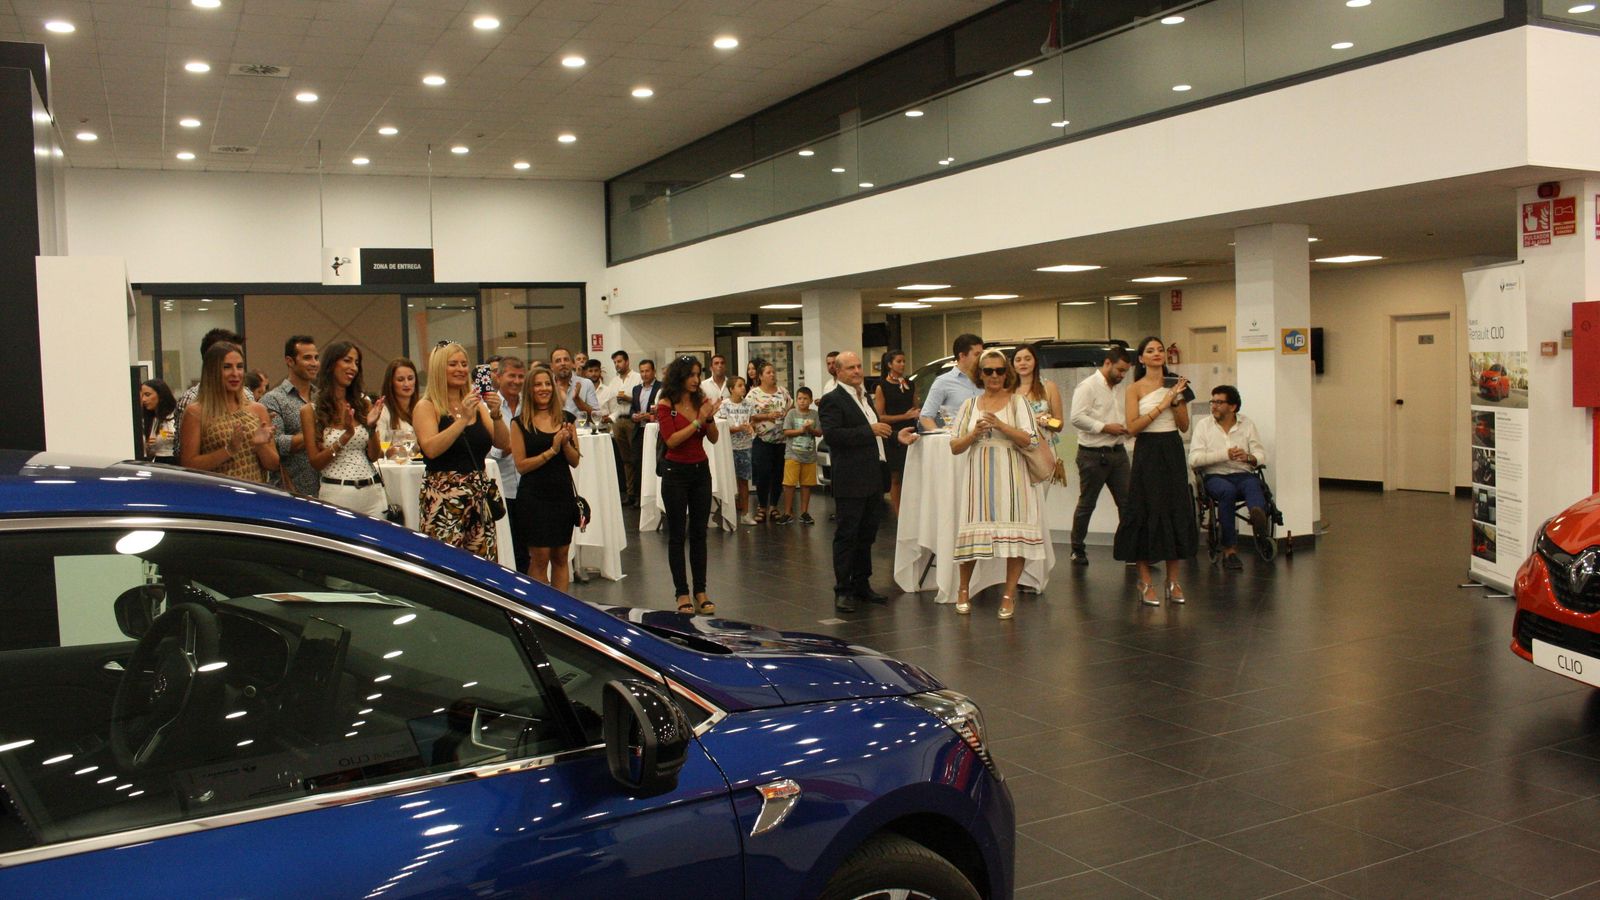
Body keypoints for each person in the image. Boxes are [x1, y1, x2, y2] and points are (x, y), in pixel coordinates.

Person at [949, 349, 1046, 620]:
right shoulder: (969, 405)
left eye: (999, 371)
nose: (994, 376)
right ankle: (963, 590)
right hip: (978, 476)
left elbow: (1032, 440)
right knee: (972, 534)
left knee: (1015, 536)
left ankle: (1008, 594)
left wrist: (1002, 425)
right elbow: (955, 446)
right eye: (988, 371)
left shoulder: (1018, 403)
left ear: (1007, 374)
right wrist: (973, 433)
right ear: (979, 374)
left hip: (1013, 475)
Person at [821, 352, 911, 612]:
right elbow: (833, 435)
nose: (857, 371)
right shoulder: (832, 400)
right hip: (851, 477)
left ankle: (862, 584)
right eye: (851, 368)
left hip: (873, 474)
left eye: (859, 366)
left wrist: (895, 436)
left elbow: (876, 429)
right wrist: (869, 431)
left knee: (867, 534)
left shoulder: (865, 397)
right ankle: (843, 589)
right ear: (838, 371)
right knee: (847, 534)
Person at [1114, 336, 1197, 605]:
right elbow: (1132, 427)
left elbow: (1184, 426)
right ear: (1141, 358)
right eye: (1150, 351)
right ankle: (1145, 580)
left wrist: (1175, 402)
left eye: (1160, 350)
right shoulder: (1134, 389)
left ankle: (1173, 581)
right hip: (1147, 450)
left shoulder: (1176, 383)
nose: (1157, 354)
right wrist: (1161, 405)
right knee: (1145, 509)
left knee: (1174, 509)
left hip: (1171, 448)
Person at [414, 341, 511, 561]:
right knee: (446, 565)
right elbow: (430, 449)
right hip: (444, 500)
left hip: (478, 497)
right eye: (453, 364)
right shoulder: (426, 406)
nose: (460, 369)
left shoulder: (476, 404)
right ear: (439, 368)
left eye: (464, 364)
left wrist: (496, 415)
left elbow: (503, 444)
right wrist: (462, 421)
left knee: (483, 567)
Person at [656, 357, 719, 616]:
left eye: (698, 374)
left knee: (699, 533)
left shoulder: (701, 401)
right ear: (679, 377)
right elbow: (671, 441)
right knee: (677, 534)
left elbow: (713, 438)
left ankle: (700, 590)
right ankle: (681, 592)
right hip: (675, 473)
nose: (695, 380)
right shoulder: (665, 403)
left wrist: (709, 419)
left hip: (700, 471)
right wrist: (696, 421)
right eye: (690, 375)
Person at [510, 366, 581, 590]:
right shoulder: (519, 423)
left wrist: (566, 442)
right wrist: (551, 450)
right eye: (538, 384)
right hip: (534, 498)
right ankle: (539, 610)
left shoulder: (566, 418)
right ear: (529, 389)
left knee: (561, 555)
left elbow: (575, 460)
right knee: (539, 557)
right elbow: (521, 466)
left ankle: (563, 613)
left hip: (561, 495)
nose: (544, 389)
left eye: (547, 384)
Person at [301, 341, 386, 517]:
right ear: (332, 364)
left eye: (356, 363)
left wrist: (371, 428)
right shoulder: (311, 410)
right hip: (337, 493)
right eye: (347, 361)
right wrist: (345, 436)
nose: (353, 367)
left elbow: (374, 455)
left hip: (373, 491)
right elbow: (316, 463)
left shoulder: (363, 403)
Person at [1189, 384, 1270, 570]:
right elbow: (1194, 460)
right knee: (1227, 492)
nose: (1214, 406)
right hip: (1215, 475)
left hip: (1242, 472)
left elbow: (1261, 454)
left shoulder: (1247, 424)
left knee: (1252, 484)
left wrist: (1249, 457)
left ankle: (1259, 519)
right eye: (1213, 401)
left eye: (1219, 402)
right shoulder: (1204, 426)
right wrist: (1225, 454)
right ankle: (1230, 549)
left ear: (1232, 407)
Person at [1068, 346, 1133, 565]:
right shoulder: (1087, 386)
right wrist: (1105, 427)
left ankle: (1128, 548)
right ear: (1107, 363)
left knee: (1127, 504)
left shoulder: (1118, 389)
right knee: (1087, 503)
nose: (1122, 375)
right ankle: (1077, 548)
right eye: (1120, 370)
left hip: (1118, 452)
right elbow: (1076, 418)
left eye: (1125, 372)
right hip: (1092, 454)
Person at [179, 341, 278, 483]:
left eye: (240, 367)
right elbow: (188, 465)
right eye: (227, 367)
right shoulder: (196, 412)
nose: (235, 373)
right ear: (212, 372)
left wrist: (260, 446)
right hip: (217, 498)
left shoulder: (257, 409)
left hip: (254, 496)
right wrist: (228, 450)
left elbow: (273, 464)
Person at [261, 335, 320, 497]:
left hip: (326, 488)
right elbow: (276, 444)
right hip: (291, 491)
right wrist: (316, 431)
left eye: (316, 358)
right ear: (290, 361)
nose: (314, 363)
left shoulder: (321, 398)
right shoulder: (273, 399)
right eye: (307, 358)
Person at [488, 357, 529, 573]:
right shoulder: (488, 406)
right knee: (507, 550)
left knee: (530, 552)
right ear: (499, 376)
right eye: (511, 375)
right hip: (502, 489)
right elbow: (484, 448)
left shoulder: (531, 404)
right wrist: (505, 448)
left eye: (521, 376)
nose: (516, 381)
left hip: (529, 487)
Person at [173, 327, 244, 438]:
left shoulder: (247, 396)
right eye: (227, 366)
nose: (235, 373)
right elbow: (183, 451)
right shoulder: (191, 401)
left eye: (239, 365)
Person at [873, 350, 918, 515]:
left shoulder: (910, 384)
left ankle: (912, 510)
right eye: (899, 361)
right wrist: (904, 416)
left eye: (904, 361)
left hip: (911, 431)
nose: (902, 364)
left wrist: (917, 414)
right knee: (896, 476)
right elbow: (880, 417)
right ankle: (898, 513)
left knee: (911, 474)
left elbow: (915, 407)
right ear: (889, 364)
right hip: (893, 434)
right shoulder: (882, 387)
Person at [746, 360, 791, 524]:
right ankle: (762, 506)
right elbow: (749, 415)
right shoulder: (753, 394)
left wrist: (786, 414)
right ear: (760, 377)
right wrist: (767, 416)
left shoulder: (782, 391)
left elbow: (791, 408)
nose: (772, 375)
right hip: (762, 439)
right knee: (763, 473)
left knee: (778, 474)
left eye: (773, 372)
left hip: (781, 440)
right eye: (768, 373)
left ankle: (773, 506)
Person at [919, 333, 985, 430]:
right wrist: (941, 437)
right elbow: (926, 416)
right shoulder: (944, 382)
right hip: (958, 439)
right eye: (977, 354)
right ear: (962, 356)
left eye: (982, 354)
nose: (981, 358)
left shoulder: (987, 378)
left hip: (985, 438)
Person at [779, 386, 821, 525]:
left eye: (805, 399)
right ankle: (787, 512)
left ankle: (804, 512)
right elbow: (786, 432)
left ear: (810, 400)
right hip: (793, 454)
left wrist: (811, 429)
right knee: (789, 484)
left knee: (806, 484)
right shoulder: (791, 414)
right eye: (799, 398)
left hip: (809, 455)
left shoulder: (814, 414)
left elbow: (819, 433)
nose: (802, 401)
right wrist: (801, 430)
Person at [606, 350, 643, 503]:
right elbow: (611, 403)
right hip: (618, 420)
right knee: (625, 459)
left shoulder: (637, 378)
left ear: (627, 362)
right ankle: (630, 493)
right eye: (615, 362)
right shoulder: (613, 382)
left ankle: (640, 494)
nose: (617, 365)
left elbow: (642, 398)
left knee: (636, 458)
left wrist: (629, 398)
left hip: (632, 420)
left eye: (619, 361)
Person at [718, 376, 756, 525]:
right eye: (739, 385)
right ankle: (726, 514)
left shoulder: (749, 404)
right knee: (727, 481)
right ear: (731, 389)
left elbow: (752, 420)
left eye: (743, 385)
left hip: (745, 447)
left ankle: (745, 514)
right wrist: (737, 428)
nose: (743, 388)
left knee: (743, 481)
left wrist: (750, 426)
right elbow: (720, 426)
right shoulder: (724, 405)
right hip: (728, 447)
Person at [628, 359, 663, 502]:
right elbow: (632, 408)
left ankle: (656, 496)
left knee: (653, 462)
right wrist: (634, 416)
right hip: (639, 430)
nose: (644, 374)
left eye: (647, 370)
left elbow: (664, 409)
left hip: (655, 431)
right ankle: (639, 497)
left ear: (654, 371)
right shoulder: (636, 389)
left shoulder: (662, 387)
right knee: (637, 462)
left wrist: (650, 416)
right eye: (642, 371)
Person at [376, 357, 420, 452]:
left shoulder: (422, 408)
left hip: (420, 464)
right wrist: (394, 449)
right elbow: (377, 450)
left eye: (410, 378)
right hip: (393, 465)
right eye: (400, 380)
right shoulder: (383, 411)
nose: (407, 384)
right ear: (391, 383)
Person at [138, 378, 178, 464]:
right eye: (142, 396)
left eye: (147, 395)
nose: (143, 400)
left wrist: (175, 436)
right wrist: (148, 445)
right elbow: (149, 452)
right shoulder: (149, 420)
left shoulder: (176, 415)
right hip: (158, 462)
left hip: (176, 462)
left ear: (160, 395)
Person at [551, 347, 597, 420]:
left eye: (566, 359)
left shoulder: (586, 384)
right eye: (558, 361)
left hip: (581, 431)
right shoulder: (548, 387)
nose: (563, 363)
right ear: (552, 366)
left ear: (572, 364)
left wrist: (577, 400)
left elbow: (596, 418)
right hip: (556, 431)